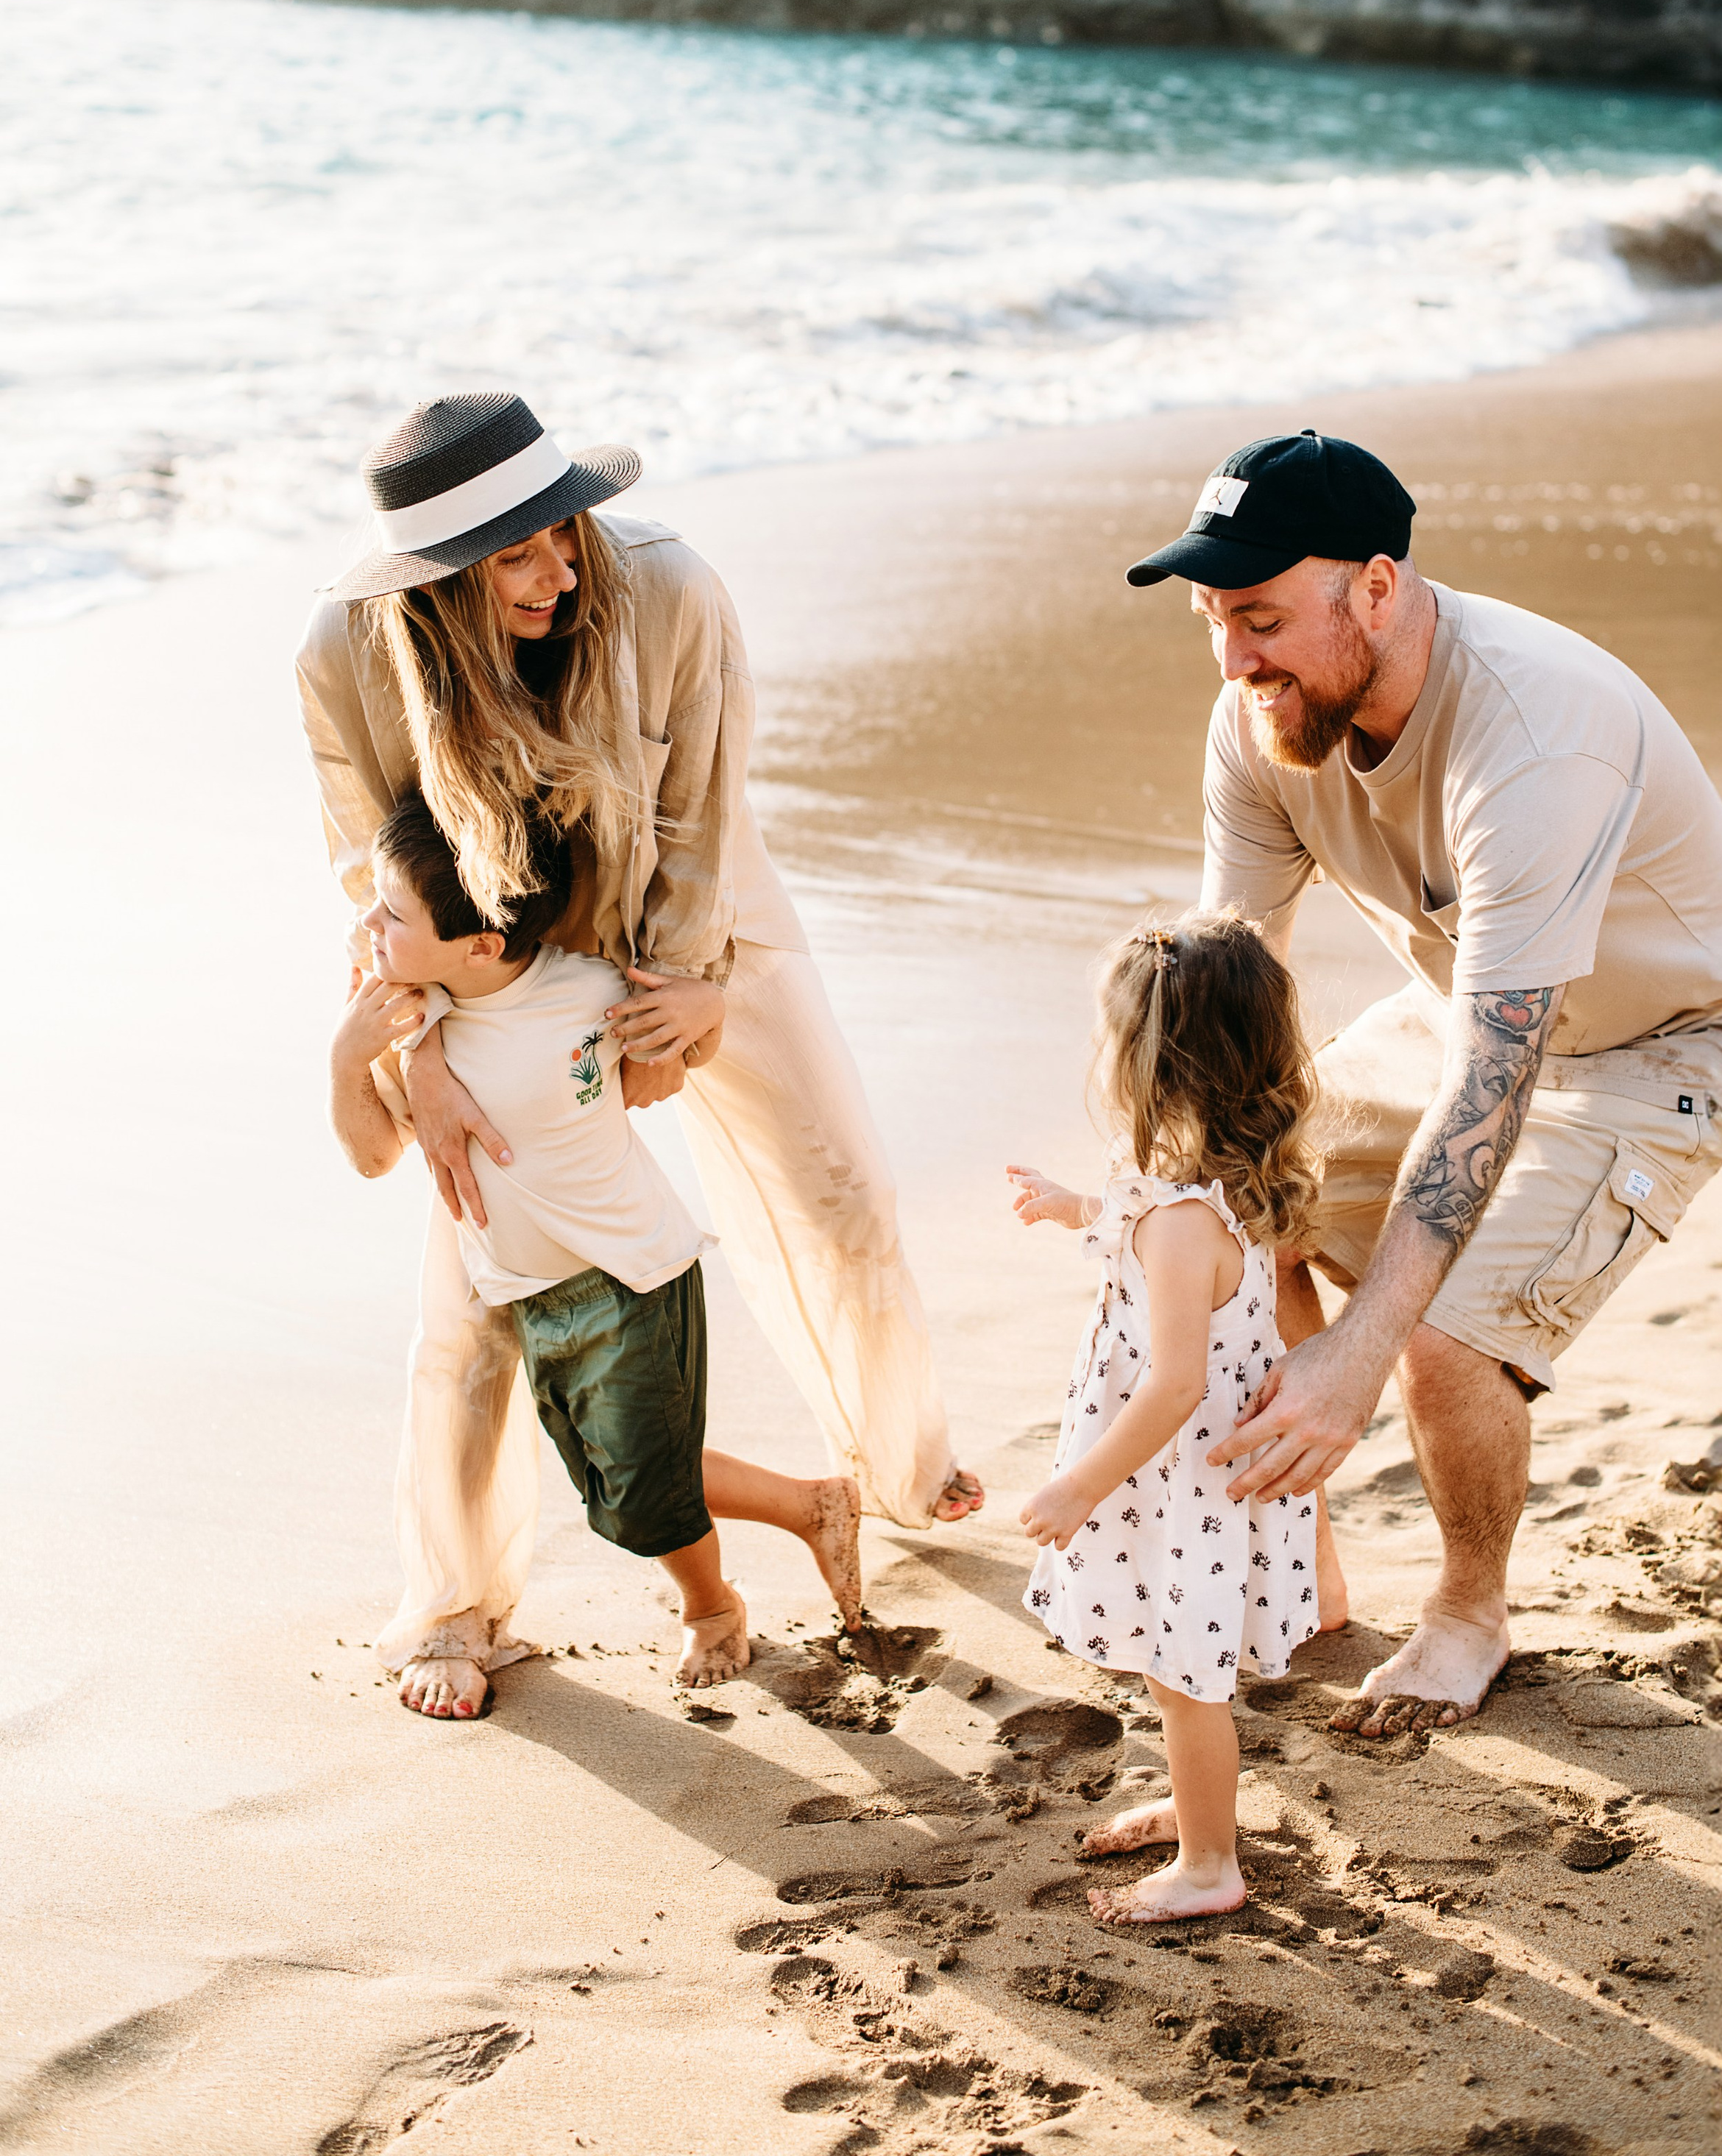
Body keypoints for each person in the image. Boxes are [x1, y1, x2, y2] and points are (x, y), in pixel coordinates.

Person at [299, 391, 979, 1720]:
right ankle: (455, 1601)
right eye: (517, 555)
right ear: (437, 582)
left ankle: (901, 1457)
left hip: (691, 911)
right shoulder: (344, 647)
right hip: (483, 965)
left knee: (842, 1184)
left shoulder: (668, 587)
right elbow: (366, 875)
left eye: (565, 528)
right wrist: (419, 1051)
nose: (561, 568)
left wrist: (690, 990)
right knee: (473, 1299)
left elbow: (704, 806)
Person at [1124, 428, 1722, 1737]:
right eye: (1214, 621)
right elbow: (1235, 988)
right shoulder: (1258, 719)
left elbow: (1494, 1086)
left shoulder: (1537, 737)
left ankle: (1466, 1615)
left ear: (1377, 588)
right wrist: (1162, 1177)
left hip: (1674, 1037)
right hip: (1474, 1007)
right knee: (1233, 1207)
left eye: (1261, 619)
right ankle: (1294, 1576)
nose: (1234, 661)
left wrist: (1358, 1353)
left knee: (1439, 1337)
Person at [330, 795, 865, 1684]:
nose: (367, 923)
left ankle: (714, 1607)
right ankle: (813, 1505)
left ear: (481, 946)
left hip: (634, 1273)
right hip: (528, 1296)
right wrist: (346, 1060)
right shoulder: (411, 1022)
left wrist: (705, 1000)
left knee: (642, 1496)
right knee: (615, 1489)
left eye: (392, 912)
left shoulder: (587, 993)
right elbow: (372, 1156)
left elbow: (704, 1016)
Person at [1008, 912, 1321, 1924]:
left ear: (1150, 1068)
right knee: (1176, 1668)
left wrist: (1078, 1485)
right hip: (1188, 1482)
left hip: (1177, 1482)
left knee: (1186, 1682)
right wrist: (1072, 1207)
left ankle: (1208, 1865)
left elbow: (1175, 1383)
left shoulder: (1181, 1223)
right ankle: (1199, 1810)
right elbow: (1141, 1232)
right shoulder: (1210, 1189)